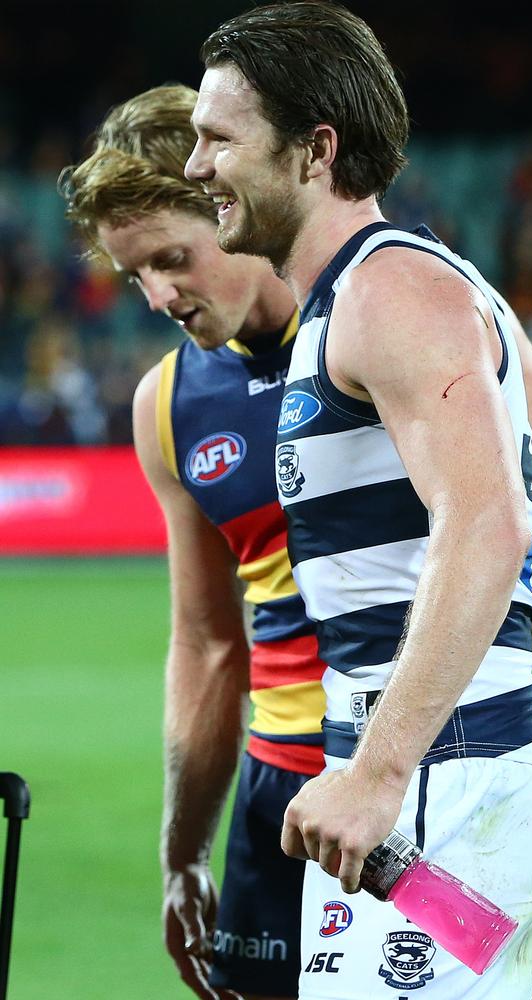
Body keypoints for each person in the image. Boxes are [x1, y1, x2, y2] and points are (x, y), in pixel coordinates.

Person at [185, 3, 532, 998]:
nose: (194, 166)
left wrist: (387, 766)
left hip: (433, 789)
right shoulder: (400, 291)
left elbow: (495, 520)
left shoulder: (388, 295)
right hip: (435, 785)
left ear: (313, 149)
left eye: (217, 138)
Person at [59, 84, 329, 1000]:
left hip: (433, 787)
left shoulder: (394, 314)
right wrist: (181, 855)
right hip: (275, 802)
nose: (158, 296)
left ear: (229, 198)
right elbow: (211, 645)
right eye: (135, 273)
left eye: (172, 259)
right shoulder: (168, 405)